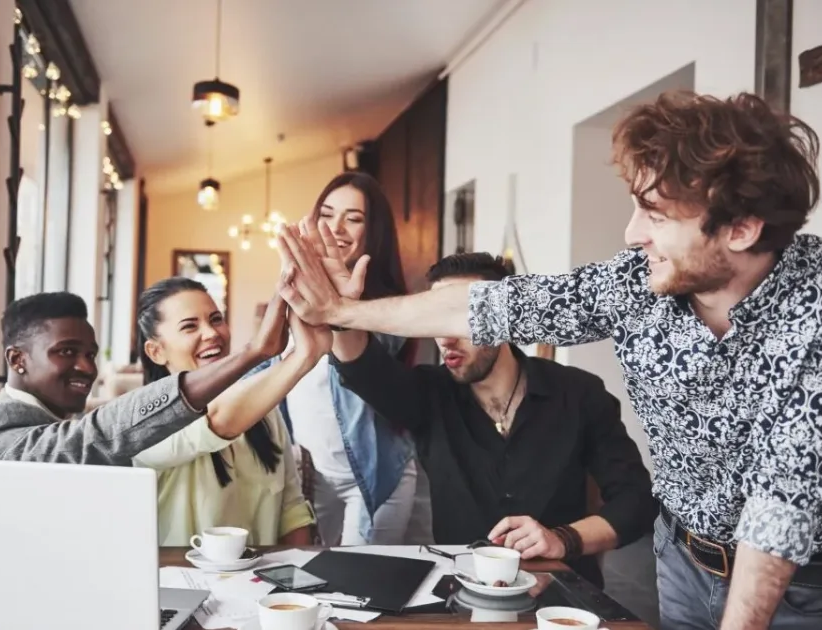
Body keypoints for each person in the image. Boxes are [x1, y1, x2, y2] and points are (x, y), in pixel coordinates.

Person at [277, 91, 822, 630]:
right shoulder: (633, 284)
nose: (633, 235)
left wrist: (565, 537)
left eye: (654, 214)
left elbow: (780, 510)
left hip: (796, 585)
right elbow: (485, 304)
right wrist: (340, 309)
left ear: (742, 228)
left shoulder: (811, 315)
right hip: (679, 562)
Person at [326, 250, 656, 587]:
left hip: (561, 595)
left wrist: (564, 538)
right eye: (435, 320)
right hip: (463, 597)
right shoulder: (427, 394)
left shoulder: (578, 393)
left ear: (503, 316)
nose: (445, 337)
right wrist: (340, 312)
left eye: (458, 319)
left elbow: (637, 500)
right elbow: (362, 366)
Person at [252, 171, 419, 546]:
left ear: (373, 231)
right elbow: (266, 370)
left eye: (353, 218)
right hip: (313, 475)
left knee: (360, 587)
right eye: (326, 215)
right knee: (322, 580)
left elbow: (359, 363)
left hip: (375, 478)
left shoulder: (383, 306)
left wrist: (339, 304)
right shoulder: (299, 294)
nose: (336, 228)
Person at [0, 290, 287, 465]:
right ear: (17, 359)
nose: (86, 367)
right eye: (67, 352)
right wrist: (253, 352)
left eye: (90, 354)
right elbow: (94, 435)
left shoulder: (58, 418)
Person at [131, 277, 325, 546]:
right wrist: (300, 357)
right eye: (189, 326)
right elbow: (217, 419)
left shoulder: (265, 411)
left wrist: (297, 575)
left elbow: (291, 510)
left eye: (216, 319)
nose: (211, 333)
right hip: (183, 581)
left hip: (260, 580)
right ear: (156, 351)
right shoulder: (142, 422)